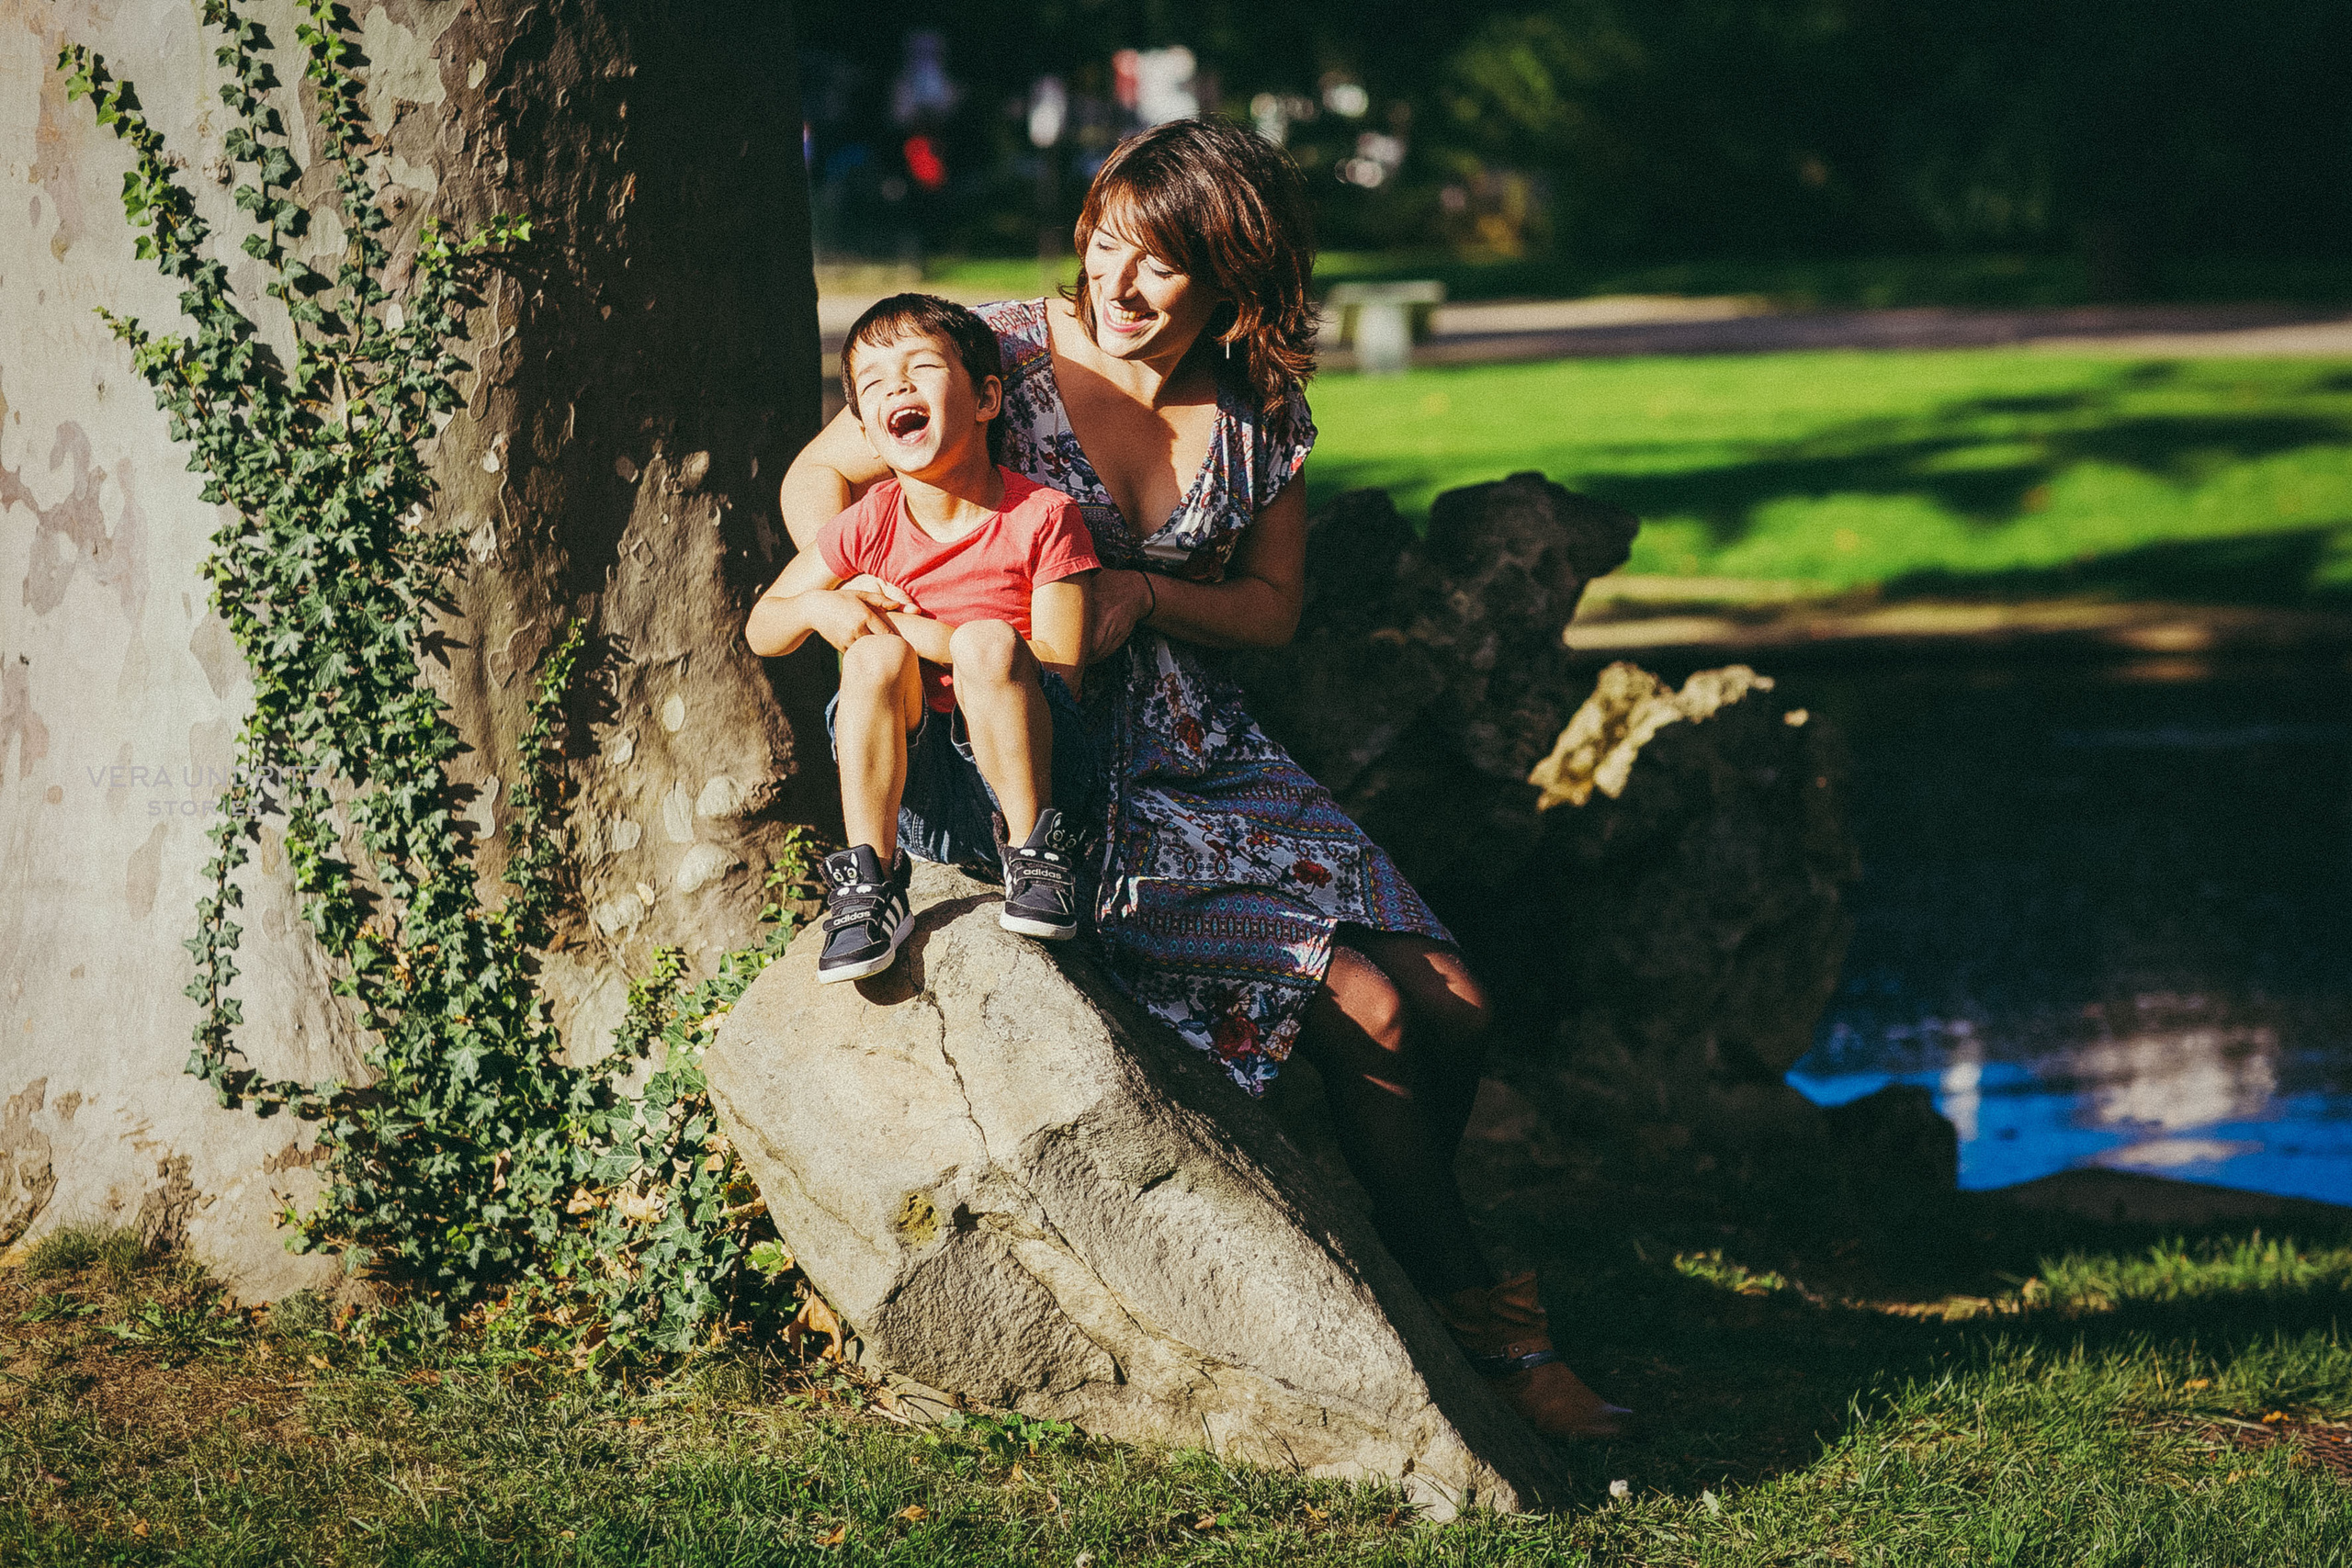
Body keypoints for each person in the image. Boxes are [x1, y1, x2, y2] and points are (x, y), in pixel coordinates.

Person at [775, 123, 1629, 1438]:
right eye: (1106, 244)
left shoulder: (1261, 411)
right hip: (1053, 758)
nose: (1118, 285)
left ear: (1233, 278)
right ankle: (1494, 1332)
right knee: (1373, 1012)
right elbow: (820, 478)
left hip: (1202, 742)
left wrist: (1141, 591)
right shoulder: (992, 348)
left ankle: (1390, 1227)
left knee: (1454, 1003)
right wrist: (872, 608)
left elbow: (1272, 609)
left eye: (1160, 265)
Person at [748, 294, 1099, 983]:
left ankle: (1036, 857)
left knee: (988, 646)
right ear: (868, 434)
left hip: (1027, 772)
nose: (896, 386)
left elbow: (1061, 673)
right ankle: (870, 883)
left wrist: (915, 630)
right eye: (873, 382)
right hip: (917, 790)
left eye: (921, 367)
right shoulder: (869, 522)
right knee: (872, 656)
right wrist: (823, 607)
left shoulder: (1044, 517)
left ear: (987, 398)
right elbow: (764, 625)